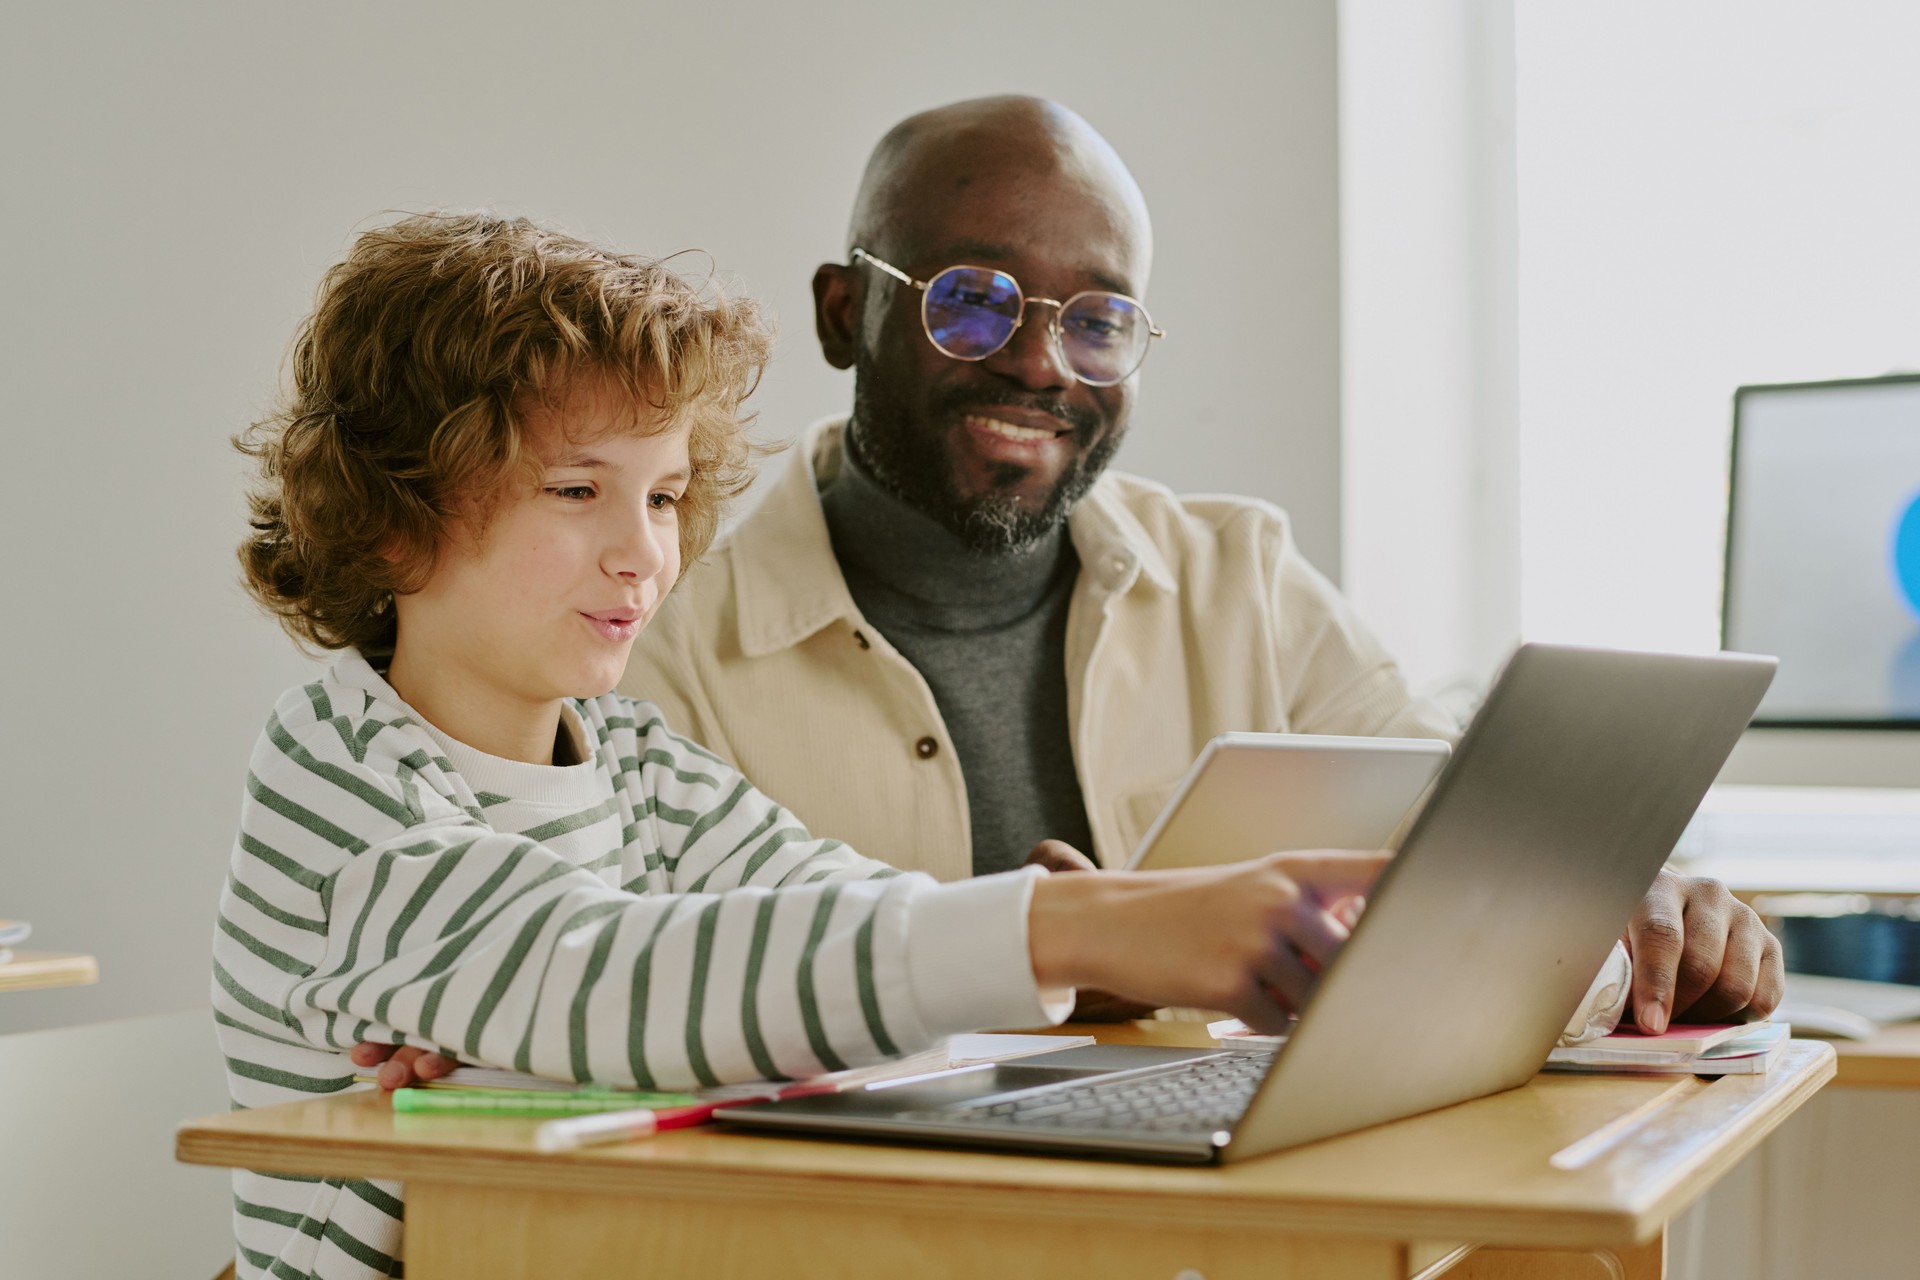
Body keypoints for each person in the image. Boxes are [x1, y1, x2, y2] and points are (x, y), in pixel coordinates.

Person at [216, 211, 1397, 1280]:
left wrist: (540, 1062)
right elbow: (614, 975)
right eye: (577, 490)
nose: (644, 554)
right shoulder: (341, 781)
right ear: (387, 518)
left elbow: (826, 923)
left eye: (666, 497)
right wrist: (1081, 923)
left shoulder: (639, 767)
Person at [611, 95, 1785, 1035]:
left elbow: (1443, 805)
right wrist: (1056, 954)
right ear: (843, 313)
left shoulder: (1242, 576)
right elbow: (633, 993)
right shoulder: (651, 627)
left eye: (1100, 318)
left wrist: (1625, 887)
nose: (1039, 364)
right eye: (972, 300)